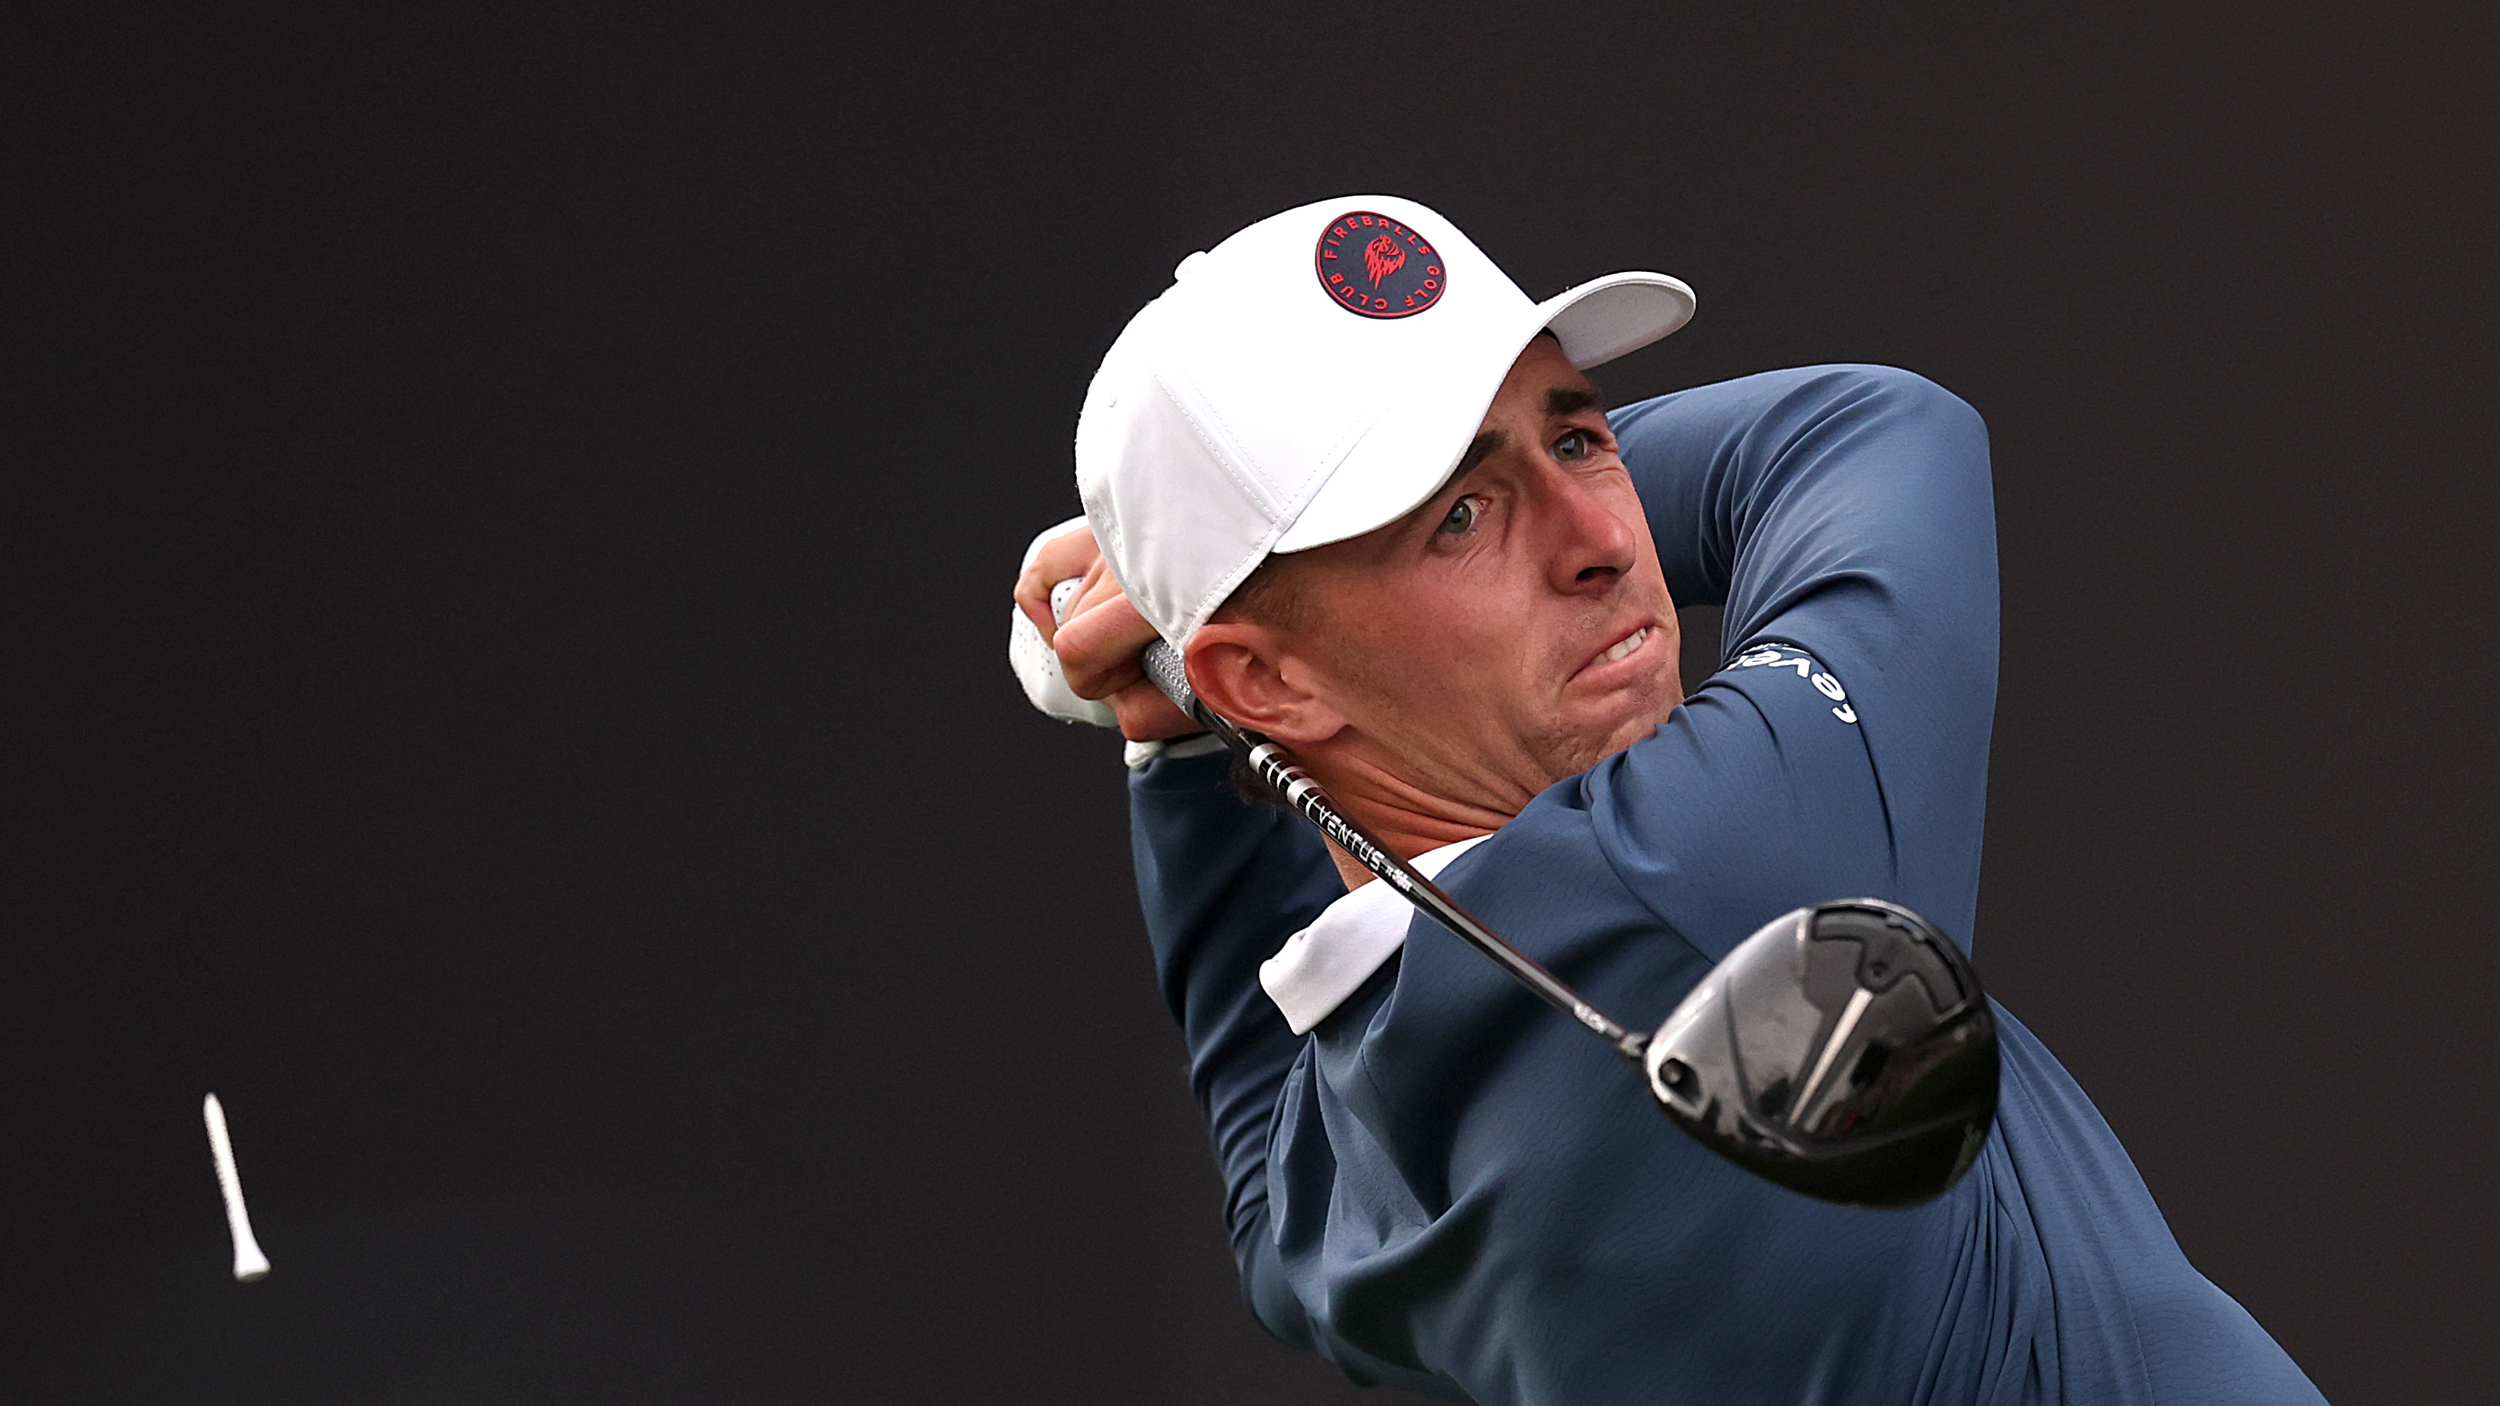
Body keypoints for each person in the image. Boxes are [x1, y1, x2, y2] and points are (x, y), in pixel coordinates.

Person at [1009, 196, 2325, 1404]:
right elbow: (1867, 432)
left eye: (1580, 433)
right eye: (1459, 514)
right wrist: (1193, 632)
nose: (1605, 536)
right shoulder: (1700, 884)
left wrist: (1187, 722)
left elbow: (1264, 1194)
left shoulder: (1359, 1185)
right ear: (1276, 684)